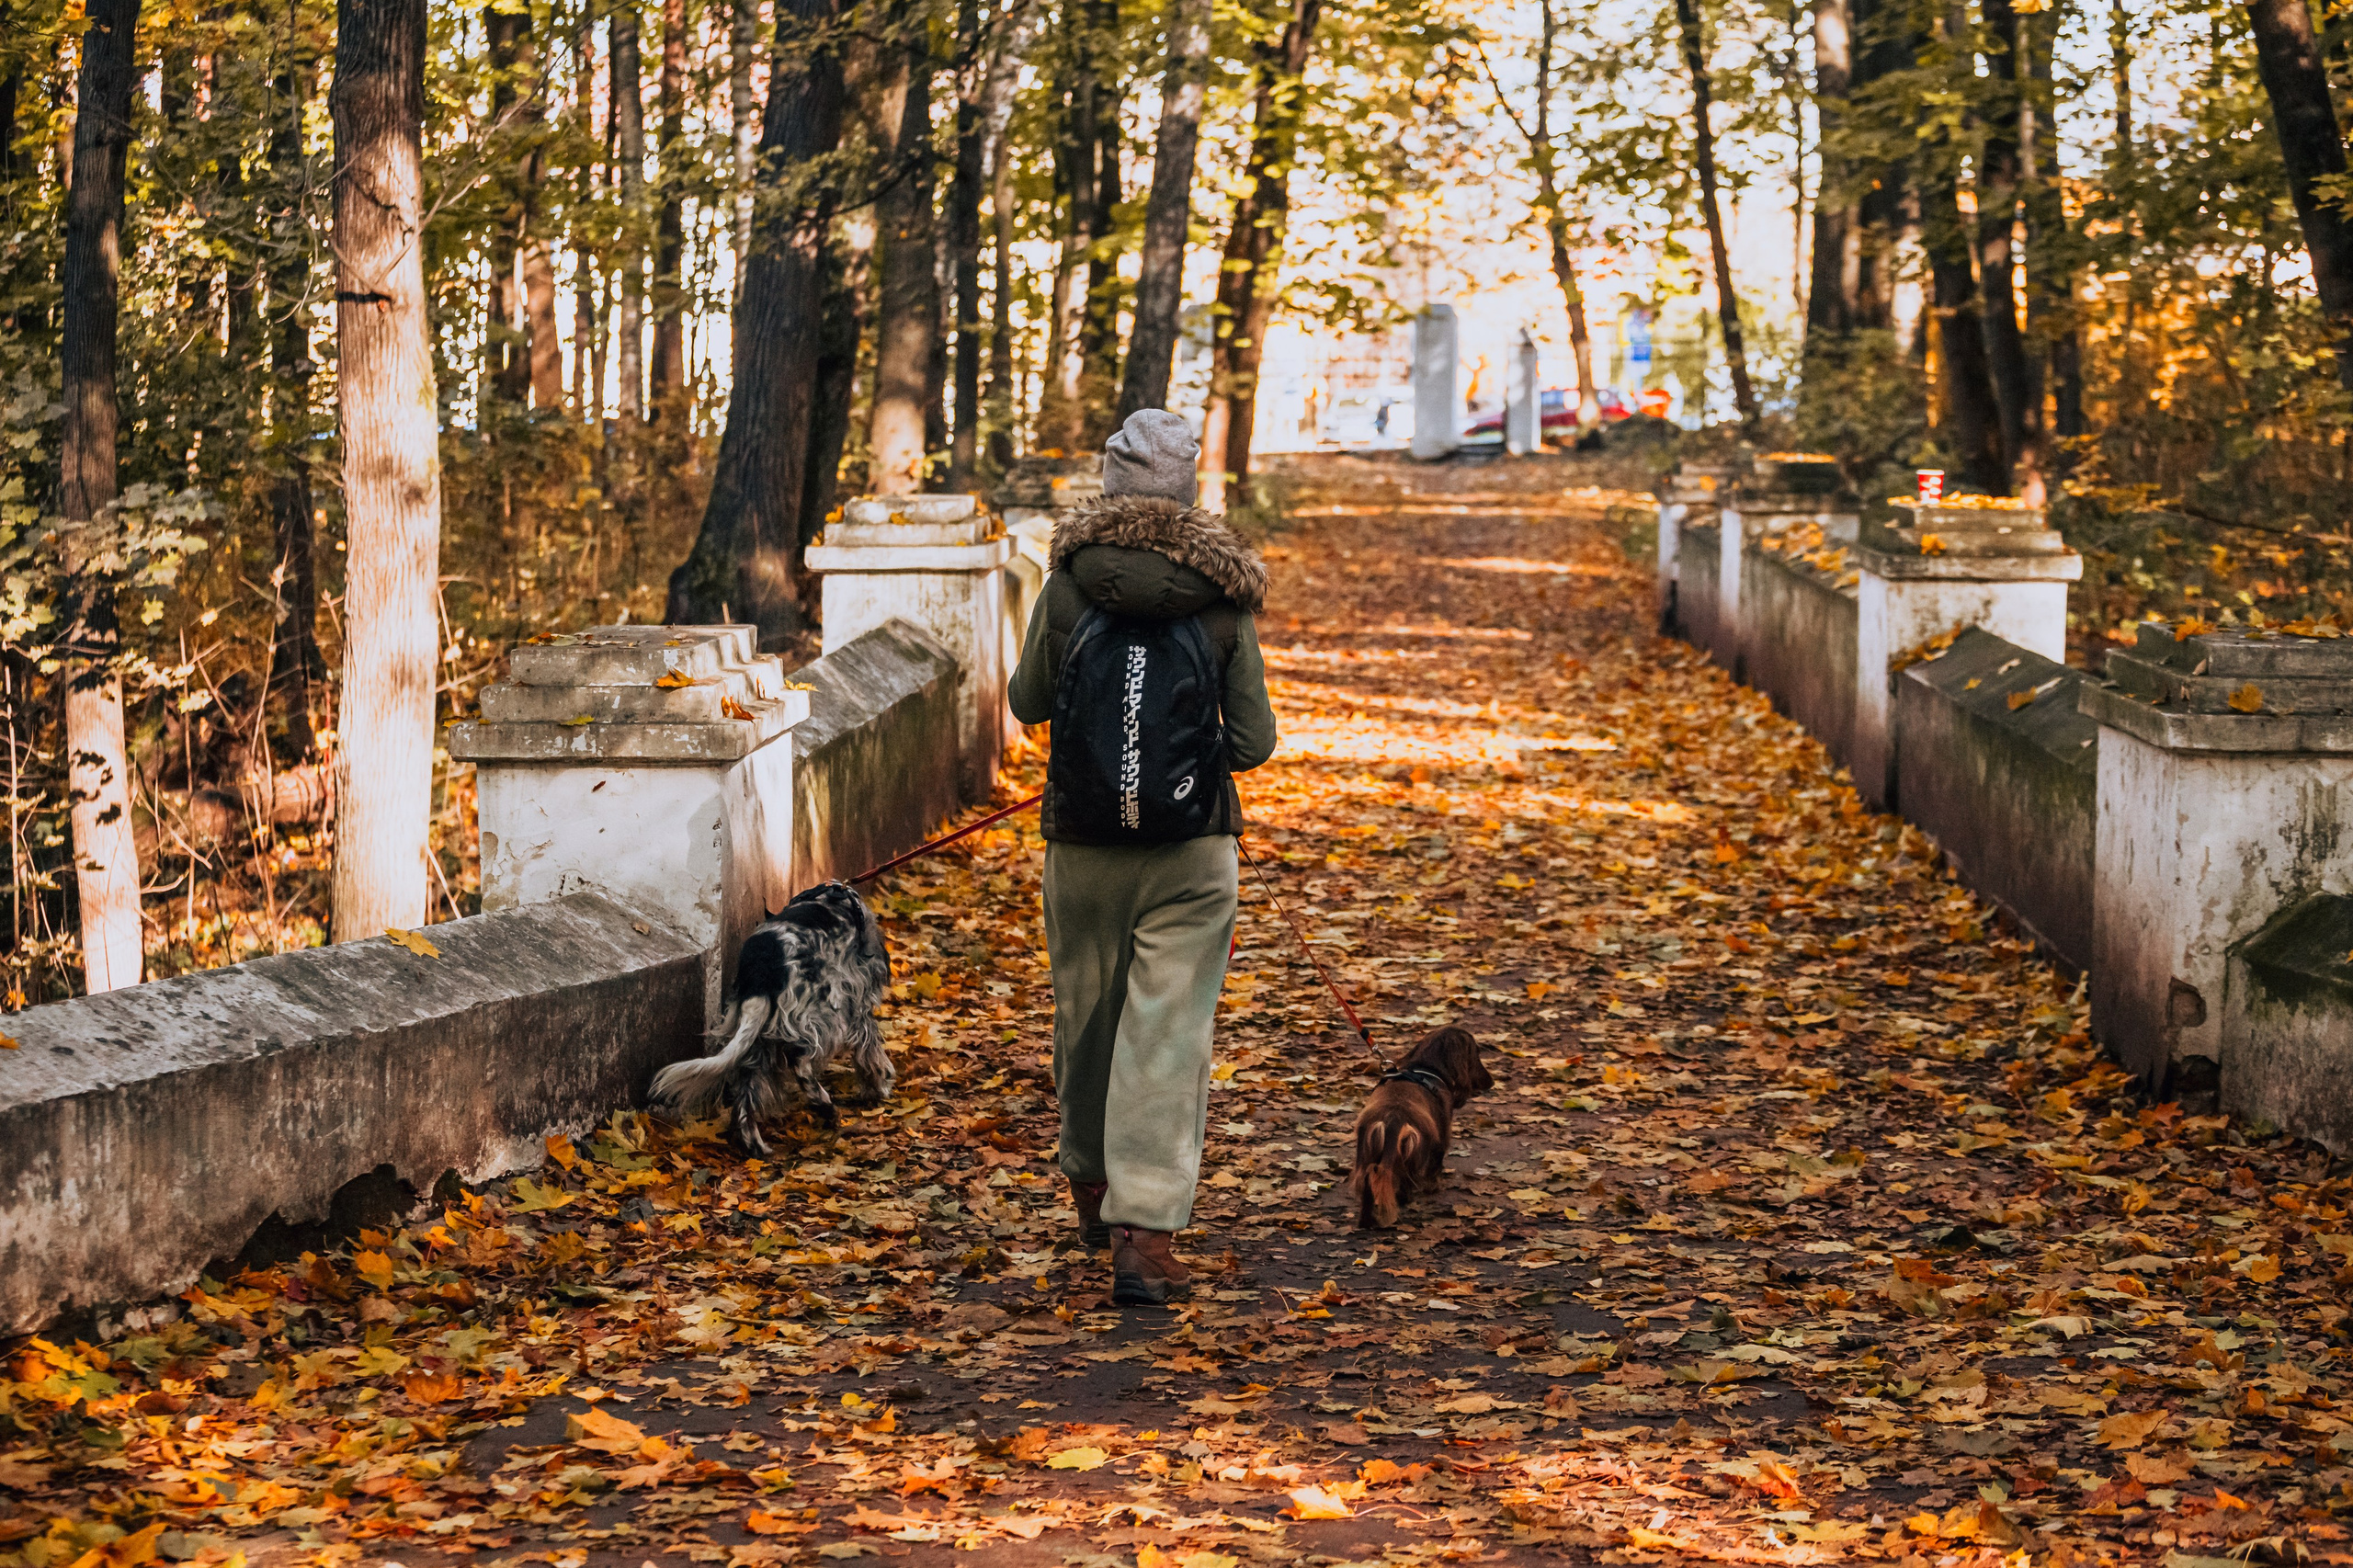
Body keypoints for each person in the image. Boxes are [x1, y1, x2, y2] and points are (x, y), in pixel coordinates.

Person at [1007, 409, 1279, 1307]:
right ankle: (1146, 1230)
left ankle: (1090, 1188)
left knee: (1087, 1016)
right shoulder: (1222, 594)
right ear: (1187, 489)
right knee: (1166, 1033)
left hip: (1082, 845)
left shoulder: (1067, 584)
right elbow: (1252, 744)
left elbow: (1027, 702)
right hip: (1190, 851)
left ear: (1111, 486)